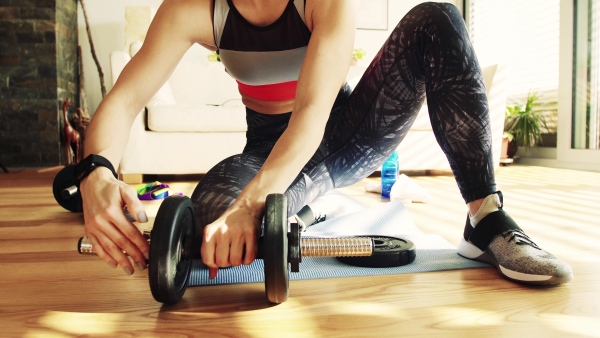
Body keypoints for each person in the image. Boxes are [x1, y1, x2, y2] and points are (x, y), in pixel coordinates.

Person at [80, 0, 572, 284]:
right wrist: (96, 173)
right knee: (210, 218)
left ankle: (484, 217)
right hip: (267, 146)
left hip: (347, 130)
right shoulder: (192, 8)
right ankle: (305, 203)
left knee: (437, 17)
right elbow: (123, 101)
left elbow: (312, 114)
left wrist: (254, 203)